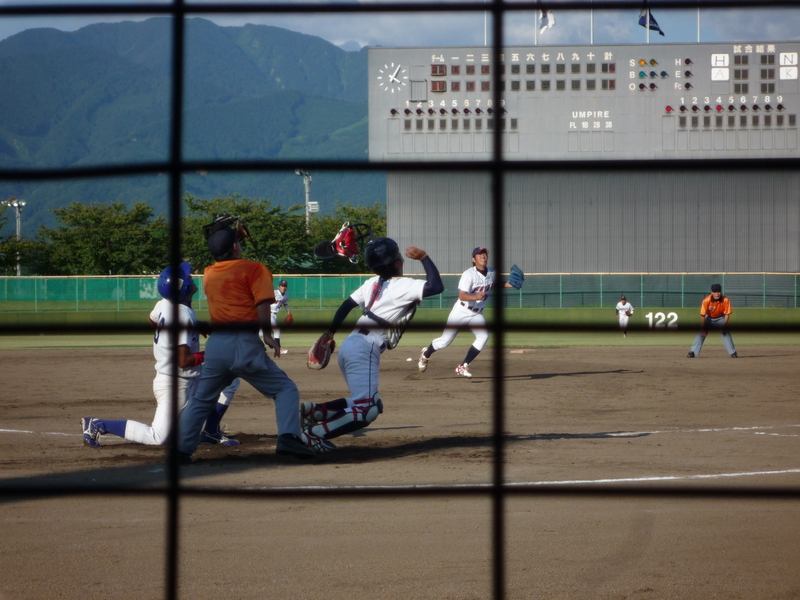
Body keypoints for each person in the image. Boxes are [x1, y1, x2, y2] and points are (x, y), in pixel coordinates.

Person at [177, 216, 327, 463]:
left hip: (216, 346)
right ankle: (289, 438)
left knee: (202, 399)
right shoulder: (255, 268)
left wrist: (230, 236)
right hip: (243, 344)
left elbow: (226, 256)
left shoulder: (209, 273)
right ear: (235, 246)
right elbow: (262, 304)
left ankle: (181, 450)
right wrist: (267, 333)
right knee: (284, 389)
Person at [81, 262, 240, 448]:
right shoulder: (183, 316)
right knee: (158, 437)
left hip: (188, 378)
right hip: (175, 383)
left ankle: (211, 432)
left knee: (230, 381)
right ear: (184, 288)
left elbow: (153, 319)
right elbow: (184, 361)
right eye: (188, 277)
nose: (191, 278)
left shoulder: (165, 303)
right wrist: (211, 353)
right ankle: (98, 424)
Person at [301, 238, 443, 445]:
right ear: (397, 263)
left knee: (367, 402)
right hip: (364, 347)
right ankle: (314, 435)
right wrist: (423, 257)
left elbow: (346, 305)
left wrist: (330, 333)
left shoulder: (372, 283)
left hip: (352, 344)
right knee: (367, 410)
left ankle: (313, 412)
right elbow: (436, 286)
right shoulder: (403, 285)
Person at [418, 246, 514, 379]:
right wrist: (475, 297)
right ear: (473, 259)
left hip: (477, 314)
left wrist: (510, 284)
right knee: (445, 342)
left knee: (484, 336)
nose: (483, 256)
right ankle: (425, 354)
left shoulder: (492, 272)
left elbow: (495, 283)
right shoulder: (468, 274)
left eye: (484, 254)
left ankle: (463, 366)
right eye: (479, 254)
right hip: (461, 311)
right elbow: (462, 295)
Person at [687, 283, 738, 358]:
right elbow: (703, 315)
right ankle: (693, 351)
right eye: (715, 292)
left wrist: (724, 325)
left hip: (720, 318)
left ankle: (733, 352)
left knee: (725, 332)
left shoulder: (725, 300)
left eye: (718, 292)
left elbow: (727, 314)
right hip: (709, 319)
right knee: (701, 332)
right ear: (711, 293)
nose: (717, 294)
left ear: (721, 292)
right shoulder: (706, 301)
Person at [270, 279, 291, 354]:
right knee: (277, 330)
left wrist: (289, 313)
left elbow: (285, 304)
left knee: (261, 333)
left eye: (285, 286)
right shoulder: (273, 293)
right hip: (268, 313)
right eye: (282, 286)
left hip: (274, 315)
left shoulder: (286, 295)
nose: (283, 287)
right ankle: (278, 349)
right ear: (278, 287)